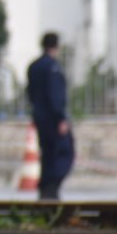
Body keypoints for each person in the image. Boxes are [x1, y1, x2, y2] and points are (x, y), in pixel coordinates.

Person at [26, 32, 75, 201]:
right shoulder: (52, 67)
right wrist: (61, 118)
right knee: (63, 154)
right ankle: (51, 187)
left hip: (40, 118)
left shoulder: (34, 66)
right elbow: (55, 95)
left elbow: (31, 93)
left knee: (46, 154)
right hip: (53, 120)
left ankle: (46, 189)